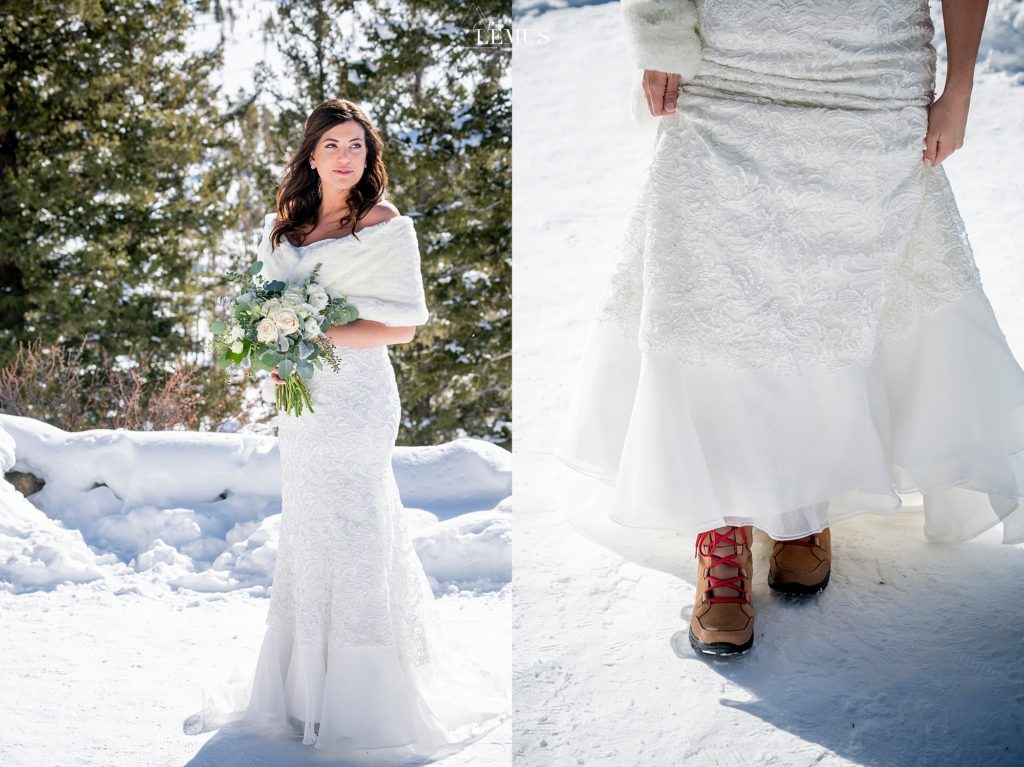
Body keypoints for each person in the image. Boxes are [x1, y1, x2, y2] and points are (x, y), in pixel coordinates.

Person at [557, 0, 1024, 656]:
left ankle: (803, 502)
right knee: (708, 295)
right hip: (728, 61)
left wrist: (960, 90)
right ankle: (721, 525)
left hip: (869, 69)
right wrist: (658, 31)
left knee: (834, 296)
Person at [241, 99, 505, 751]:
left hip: (357, 396)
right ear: (310, 154)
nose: (344, 155)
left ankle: (366, 695)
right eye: (331, 144)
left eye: (356, 145)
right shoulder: (287, 229)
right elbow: (263, 310)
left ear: (369, 155)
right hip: (300, 400)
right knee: (307, 523)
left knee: (357, 522)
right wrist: (276, 351)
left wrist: (317, 327)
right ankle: (308, 688)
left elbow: (406, 324)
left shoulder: (386, 225)